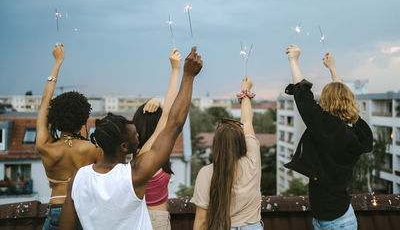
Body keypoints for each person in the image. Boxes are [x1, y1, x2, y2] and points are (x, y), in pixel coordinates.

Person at [59, 47, 203, 230]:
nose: (139, 136)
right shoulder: (134, 174)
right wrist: (188, 76)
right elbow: (173, 124)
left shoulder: (78, 179)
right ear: (124, 146)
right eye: (135, 135)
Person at [283, 45, 373, 230]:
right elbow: (342, 101)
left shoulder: (331, 131)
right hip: (337, 217)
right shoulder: (357, 130)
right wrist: (332, 69)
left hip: (336, 223)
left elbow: (304, 99)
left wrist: (293, 60)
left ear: (326, 101)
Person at [36, 43, 103, 230]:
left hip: (55, 211)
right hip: (84, 213)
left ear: (55, 118)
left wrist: (57, 62)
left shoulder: (45, 146)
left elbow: (44, 102)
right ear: (83, 118)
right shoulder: (95, 149)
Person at [191, 76, 263, 230]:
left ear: (216, 145)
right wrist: (245, 91)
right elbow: (247, 121)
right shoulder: (252, 160)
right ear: (241, 142)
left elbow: (201, 220)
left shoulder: (206, 173)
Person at [132, 49, 182, 230]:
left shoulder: (138, 154)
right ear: (155, 127)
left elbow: (166, 113)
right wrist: (175, 70)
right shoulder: (147, 153)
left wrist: (157, 100)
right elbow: (169, 113)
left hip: (143, 218)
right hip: (154, 221)